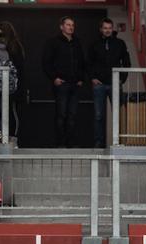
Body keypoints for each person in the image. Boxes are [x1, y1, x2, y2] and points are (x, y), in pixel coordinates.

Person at [42, 16, 86, 148]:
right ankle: (60, 144)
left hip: (75, 84)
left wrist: (81, 78)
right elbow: (46, 62)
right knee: (61, 115)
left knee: (72, 116)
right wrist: (54, 78)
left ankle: (70, 144)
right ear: (61, 27)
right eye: (68, 25)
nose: (71, 27)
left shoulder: (77, 42)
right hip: (61, 84)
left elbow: (83, 62)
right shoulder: (53, 42)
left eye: (72, 25)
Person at [86, 17, 130, 149]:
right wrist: (92, 77)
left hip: (115, 84)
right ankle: (98, 144)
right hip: (99, 84)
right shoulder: (94, 43)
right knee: (98, 115)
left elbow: (127, 63)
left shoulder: (120, 43)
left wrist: (122, 78)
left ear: (113, 29)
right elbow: (88, 63)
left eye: (109, 28)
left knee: (119, 114)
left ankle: (120, 142)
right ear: (101, 29)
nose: (107, 30)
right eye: (105, 28)